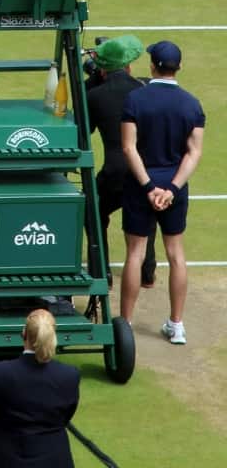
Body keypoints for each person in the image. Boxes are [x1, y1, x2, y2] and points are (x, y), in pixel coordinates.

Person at [120, 41, 206, 343]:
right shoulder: (192, 103)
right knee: (176, 254)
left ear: (152, 66)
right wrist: (170, 189)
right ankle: (177, 324)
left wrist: (148, 186)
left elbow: (129, 147)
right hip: (174, 187)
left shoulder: (135, 99)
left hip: (140, 186)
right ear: (178, 67)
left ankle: (126, 325)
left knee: (135, 254)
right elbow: (194, 153)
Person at [85, 35, 156, 286]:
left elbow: (84, 130)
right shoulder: (145, 89)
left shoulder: (95, 95)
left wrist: (92, 80)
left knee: (93, 214)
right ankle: (147, 273)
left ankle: (101, 272)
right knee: (147, 215)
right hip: (145, 171)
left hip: (114, 173)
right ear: (127, 66)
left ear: (103, 69)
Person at [0, 309, 80, 468]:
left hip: (1, 458)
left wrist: (5, 430)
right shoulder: (70, 376)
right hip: (54, 459)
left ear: (24, 334)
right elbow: (66, 415)